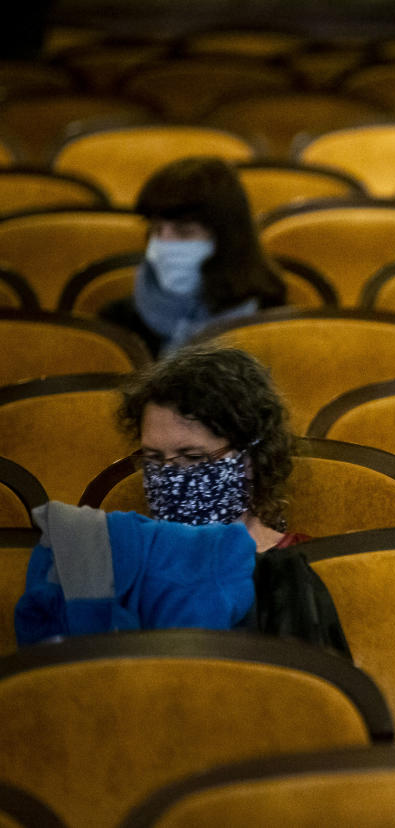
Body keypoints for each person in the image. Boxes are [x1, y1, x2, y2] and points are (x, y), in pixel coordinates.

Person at [16, 345, 349, 655]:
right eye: (154, 458)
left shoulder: (301, 567)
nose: (169, 476)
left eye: (192, 456)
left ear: (249, 459)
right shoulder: (119, 557)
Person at [102, 156, 286, 355]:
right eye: (156, 230)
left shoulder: (275, 322)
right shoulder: (117, 324)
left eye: (184, 232)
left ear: (227, 238)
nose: (164, 245)